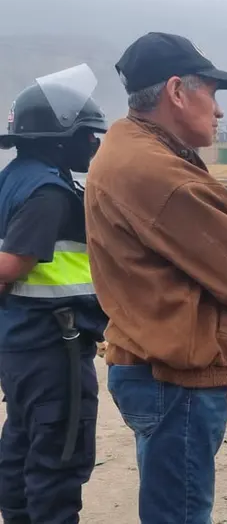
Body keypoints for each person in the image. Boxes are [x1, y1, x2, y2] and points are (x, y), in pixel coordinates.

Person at [83, 33, 227, 523]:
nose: (217, 112)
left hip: (160, 368)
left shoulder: (138, 153)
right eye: (212, 94)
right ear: (176, 91)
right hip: (175, 379)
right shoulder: (158, 173)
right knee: (182, 515)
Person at [0, 65, 109, 523]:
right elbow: (11, 264)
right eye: (88, 134)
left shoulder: (17, 176)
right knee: (58, 459)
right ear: (60, 136)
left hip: (24, 344)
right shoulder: (49, 191)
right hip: (52, 349)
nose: (94, 143)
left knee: (21, 447)